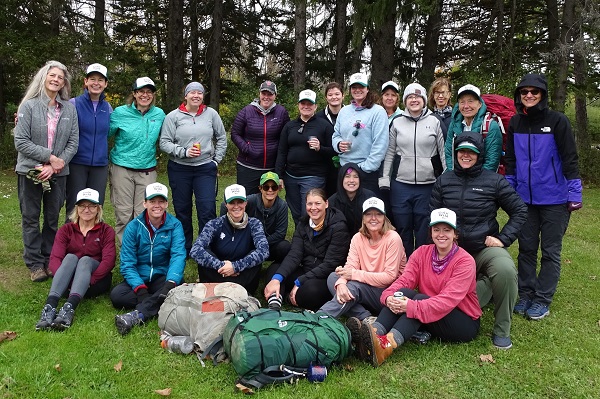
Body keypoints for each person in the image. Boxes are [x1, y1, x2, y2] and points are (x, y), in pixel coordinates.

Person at [430, 131, 527, 349]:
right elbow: (433, 216)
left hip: (482, 249)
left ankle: (502, 329)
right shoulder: (443, 181)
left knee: (505, 270)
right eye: (461, 151)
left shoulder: (494, 181)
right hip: (451, 253)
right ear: (455, 154)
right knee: (449, 299)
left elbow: (520, 210)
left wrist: (503, 239)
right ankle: (485, 288)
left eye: (471, 152)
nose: (465, 155)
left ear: (479, 154)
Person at [357, 208, 481, 367]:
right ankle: (372, 334)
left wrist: (411, 306)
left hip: (463, 321)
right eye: (436, 230)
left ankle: (385, 346)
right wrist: (388, 297)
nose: (441, 234)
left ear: (455, 234)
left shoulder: (465, 261)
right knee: (402, 293)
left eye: (447, 230)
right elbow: (404, 280)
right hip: (430, 310)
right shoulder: (422, 252)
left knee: (418, 300)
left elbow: (447, 300)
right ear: (431, 232)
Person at [505, 73, 583, 321]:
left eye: (534, 92)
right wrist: (509, 190)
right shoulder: (515, 122)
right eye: (524, 92)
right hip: (525, 199)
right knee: (526, 249)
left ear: (542, 95)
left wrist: (574, 192)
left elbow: (570, 158)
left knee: (550, 251)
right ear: (519, 95)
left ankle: (542, 299)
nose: (529, 95)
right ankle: (526, 293)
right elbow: (511, 161)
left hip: (554, 199)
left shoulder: (557, 121)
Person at [14, 60, 79, 282]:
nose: (56, 80)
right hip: (30, 171)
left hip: (58, 173)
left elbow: (73, 141)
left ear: (64, 83)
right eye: (52, 75)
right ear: (44, 77)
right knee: (30, 217)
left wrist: (56, 165)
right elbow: (21, 141)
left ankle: (49, 258)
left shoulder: (69, 108)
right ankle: (34, 264)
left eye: (60, 78)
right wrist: (49, 157)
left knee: (52, 218)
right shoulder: (28, 106)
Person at [160, 81, 227, 255]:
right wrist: (183, 152)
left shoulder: (211, 114)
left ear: (203, 96)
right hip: (179, 168)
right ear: (186, 96)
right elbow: (164, 143)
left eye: (199, 93)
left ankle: (206, 246)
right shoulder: (173, 116)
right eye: (192, 93)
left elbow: (221, 137)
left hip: (205, 168)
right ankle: (186, 247)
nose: (196, 95)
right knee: (183, 209)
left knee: (207, 208)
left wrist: (216, 160)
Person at [379, 83, 446, 257]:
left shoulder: (435, 121)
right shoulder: (396, 122)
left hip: (427, 184)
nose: (414, 100)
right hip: (401, 184)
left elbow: (444, 151)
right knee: (403, 227)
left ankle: (421, 264)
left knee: (423, 228)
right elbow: (390, 152)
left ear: (424, 100)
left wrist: (447, 178)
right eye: (410, 97)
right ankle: (404, 266)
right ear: (405, 101)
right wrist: (385, 177)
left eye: (417, 97)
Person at [110, 183, 186, 336]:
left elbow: (178, 255)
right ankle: (160, 302)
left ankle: (137, 315)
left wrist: (170, 282)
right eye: (152, 201)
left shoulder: (175, 225)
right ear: (144, 203)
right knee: (117, 296)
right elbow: (127, 263)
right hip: (140, 277)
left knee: (175, 287)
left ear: (166, 204)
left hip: (162, 277)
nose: (157, 206)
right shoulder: (133, 227)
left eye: (161, 201)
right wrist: (140, 289)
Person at [35, 188, 116, 331]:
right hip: (66, 283)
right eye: (83, 205)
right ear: (77, 208)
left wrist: (89, 281)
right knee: (70, 257)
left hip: (94, 282)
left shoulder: (106, 230)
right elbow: (55, 259)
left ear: (98, 209)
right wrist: (66, 279)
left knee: (85, 260)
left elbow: (109, 261)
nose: (87, 209)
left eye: (92, 206)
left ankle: (68, 309)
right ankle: (50, 307)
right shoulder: (66, 230)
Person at [319, 198, 406, 323]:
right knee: (334, 278)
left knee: (353, 286)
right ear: (363, 218)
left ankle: (319, 318)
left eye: (378, 214)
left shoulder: (393, 238)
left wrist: (353, 274)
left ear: (384, 218)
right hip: (366, 287)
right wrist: (342, 282)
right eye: (369, 214)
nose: (373, 218)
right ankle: (365, 317)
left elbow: (389, 277)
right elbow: (351, 265)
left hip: (389, 293)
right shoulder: (357, 238)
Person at [264, 188, 350, 311]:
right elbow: (295, 254)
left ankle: (288, 297)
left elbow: (330, 264)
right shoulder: (303, 223)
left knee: (311, 292)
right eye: (310, 204)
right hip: (305, 270)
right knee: (275, 270)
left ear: (326, 204)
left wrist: (299, 281)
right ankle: (275, 303)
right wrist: (277, 278)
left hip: (324, 277)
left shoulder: (338, 227)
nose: (313, 208)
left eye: (317, 203)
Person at [108, 77, 166, 243]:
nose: (145, 95)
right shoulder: (120, 113)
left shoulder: (159, 114)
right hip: (122, 168)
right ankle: (127, 251)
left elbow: (170, 136)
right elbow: (104, 134)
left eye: (149, 92)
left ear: (153, 95)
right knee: (124, 212)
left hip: (147, 169)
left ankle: (143, 249)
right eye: (141, 91)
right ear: (134, 93)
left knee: (144, 212)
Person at [191, 184, 269, 294]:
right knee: (205, 252)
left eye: (240, 202)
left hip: (243, 277)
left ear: (246, 203)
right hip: (218, 274)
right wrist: (221, 266)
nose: (236, 206)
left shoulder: (255, 224)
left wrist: (235, 267)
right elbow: (195, 250)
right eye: (232, 202)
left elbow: (264, 251)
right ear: (226, 204)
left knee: (255, 255)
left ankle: (240, 291)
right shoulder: (214, 224)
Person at [276, 89, 335, 224]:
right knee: (296, 213)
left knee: (308, 212)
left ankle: (311, 241)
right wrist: (279, 175)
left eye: (310, 104)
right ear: (298, 105)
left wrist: (320, 148)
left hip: (313, 176)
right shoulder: (289, 126)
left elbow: (333, 151)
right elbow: (282, 151)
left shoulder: (324, 126)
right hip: (291, 176)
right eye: (303, 103)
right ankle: (301, 239)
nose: (306, 106)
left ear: (315, 106)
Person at [65, 63, 112, 218]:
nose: (96, 83)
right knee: (75, 204)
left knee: (95, 205)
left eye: (100, 80)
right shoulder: (73, 104)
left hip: (100, 164)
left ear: (105, 84)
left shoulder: (108, 107)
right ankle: (71, 239)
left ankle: (93, 240)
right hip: (77, 162)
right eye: (92, 79)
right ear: (86, 81)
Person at [332, 72, 388, 195]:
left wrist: (364, 168)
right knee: (345, 208)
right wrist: (338, 144)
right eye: (354, 87)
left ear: (367, 89)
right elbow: (336, 135)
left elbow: (380, 145)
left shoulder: (377, 112)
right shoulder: (344, 111)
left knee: (366, 210)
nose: (357, 90)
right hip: (345, 169)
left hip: (367, 172)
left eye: (361, 87)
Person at [231, 80, 290, 195]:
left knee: (268, 202)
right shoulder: (246, 111)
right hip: (248, 166)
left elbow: (286, 137)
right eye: (264, 94)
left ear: (275, 96)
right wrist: (246, 148)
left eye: (270, 94)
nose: (266, 97)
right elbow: (235, 133)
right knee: (247, 201)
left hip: (271, 167)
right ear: (259, 94)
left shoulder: (281, 112)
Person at [219, 172, 291, 264]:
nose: (270, 190)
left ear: (278, 189)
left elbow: (280, 234)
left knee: (285, 246)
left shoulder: (282, 206)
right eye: (266, 187)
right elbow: (224, 205)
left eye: (274, 187)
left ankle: (276, 267)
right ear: (260, 188)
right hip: (247, 244)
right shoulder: (251, 200)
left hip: (267, 244)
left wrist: (259, 242)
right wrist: (224, 225)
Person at [444, 84, 502, 172]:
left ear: (479, 104)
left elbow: (492, 161)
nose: (466, 106)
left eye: (470, 101)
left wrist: (478, 183)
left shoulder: (490, 126)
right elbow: (449, 153)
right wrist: (453, 177)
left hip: (481, 180)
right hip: (458, 178)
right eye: (462, 102)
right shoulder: (454, 124)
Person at [328, 163, 375, 235]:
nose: (351, 180)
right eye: (347, 176)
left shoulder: (369, 197)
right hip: (340, 241)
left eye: (356, 177)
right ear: (341, 179)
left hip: (366, 238)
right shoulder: (332, 201)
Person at [316, 82, 345, 197]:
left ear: (343, 96)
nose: (334, 97)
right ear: (326, 98)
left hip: (345, 161)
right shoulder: (318, 117)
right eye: (330, 94)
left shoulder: (351, 114)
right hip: (324, 164)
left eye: (337, 94)